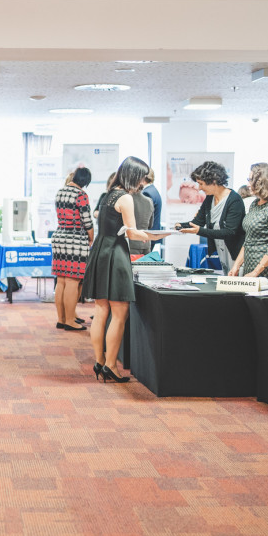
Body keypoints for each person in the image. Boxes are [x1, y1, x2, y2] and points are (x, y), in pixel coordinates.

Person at [83, 157, 152, 383]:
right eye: (142, 176)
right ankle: (111, 366)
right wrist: (155, 235)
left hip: (100, 252)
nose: (143, 181)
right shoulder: (125, 198)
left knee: (101, 310)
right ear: (133, 176)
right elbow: (132, 233)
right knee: (120, 313)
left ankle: (99, 361)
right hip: (115, 253)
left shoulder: (107, 196)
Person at [178, 161, 245, 274]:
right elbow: (197, 222)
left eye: (201, 183)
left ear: (213, 181)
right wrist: (180, 226)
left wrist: (200, 231)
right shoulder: (209, 199)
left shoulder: (234, 200)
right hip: (223, 255)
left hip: (237, 257)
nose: (199, 188)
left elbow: (229, 232)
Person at [52, 167, 94, 330]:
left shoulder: (60, 191)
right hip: (75, 239)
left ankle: (62, 318)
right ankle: (69, 320)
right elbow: (87, 221)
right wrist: (91, 237)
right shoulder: (81, 195)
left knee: (61, 280)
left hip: (59, 236)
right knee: (73, 280)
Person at [229, 162, 268, 278]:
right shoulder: (254, 204)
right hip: (249, 267)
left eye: (250, 180)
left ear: (261, 182)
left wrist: (256, 272)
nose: (248, 184)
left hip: (264, 271)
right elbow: (248, 241)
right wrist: (236, 266)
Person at [141, 168, 163, 247]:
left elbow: (144, 216)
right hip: (151, 234)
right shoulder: (153, 190)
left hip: (147, 235)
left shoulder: (147, 193)